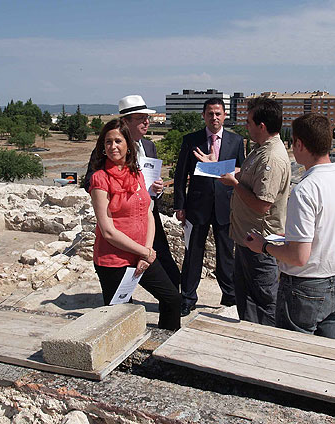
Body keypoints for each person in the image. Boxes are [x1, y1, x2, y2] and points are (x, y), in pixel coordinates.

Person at [246, 113, 335, 339]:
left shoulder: (306, 190)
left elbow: (299, 257)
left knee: (293, 360)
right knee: (325, 359)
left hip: (304, 290)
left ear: (299, 144)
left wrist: (263, 246)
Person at [89, 119, 181, 330]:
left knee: (172, 299)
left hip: (142, 255)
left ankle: (164, 349)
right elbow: (108, 231)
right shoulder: (99, 179)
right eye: (108, 142)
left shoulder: (136, 173)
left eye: (118, 141)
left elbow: (148, 212)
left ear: (128, 145)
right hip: (114, 259)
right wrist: (145, 252)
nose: (113, 147)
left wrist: (146, 252)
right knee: (121, 318)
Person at [84, 95, 181, 289]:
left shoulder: (149, 146)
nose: (147, 122)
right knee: (126, 266)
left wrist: (157, 189)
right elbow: (90, 182)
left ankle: (174, 301)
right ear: (126, 122)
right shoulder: (107, 149)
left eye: (148, 118)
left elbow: (151, 181)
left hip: (148, 213)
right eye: (141, 118)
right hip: (122, 217)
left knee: (162, 256)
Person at [219, 97, 291, 326]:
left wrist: (235, 185)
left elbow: (262, 205)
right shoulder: (260, 150)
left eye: (249, 122)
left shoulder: (271, 157)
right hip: (247, 238)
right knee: (247, 297)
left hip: (260, 242)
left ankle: (264, 344)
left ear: (261, 126)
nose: (246, 125)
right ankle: (249, 336)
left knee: (263, 299)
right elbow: (249, 175)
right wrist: (220, 167)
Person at [173, 98, 245, 316]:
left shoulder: (236, 140)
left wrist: (218, 168)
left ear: (224, 116)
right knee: (193, 254)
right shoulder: (191, 140)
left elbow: (241, 170)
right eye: (210, 113)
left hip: (226, 206)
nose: (214, 117)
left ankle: (230, 296)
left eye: (218, 113)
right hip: (197, 207)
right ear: (204, 116)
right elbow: (180, 175)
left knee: (226, 255)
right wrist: (180, 205)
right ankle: (187, 297)